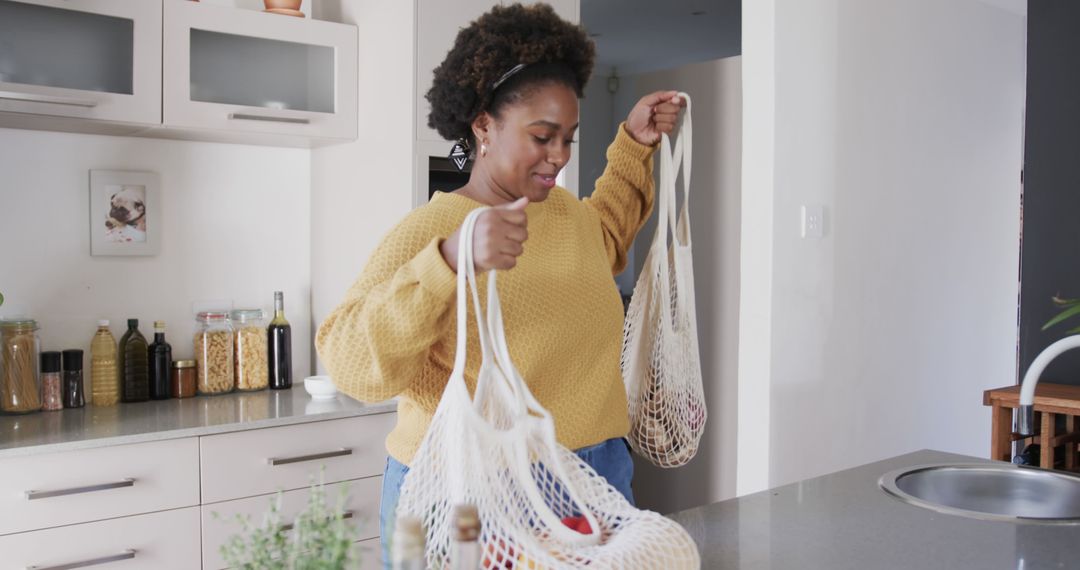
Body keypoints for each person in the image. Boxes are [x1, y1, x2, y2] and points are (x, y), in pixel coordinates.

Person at [315, 2, 684, 564]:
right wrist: (448, 260)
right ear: (484, 124)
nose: (558, 157)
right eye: (542, 137)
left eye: (568, 137)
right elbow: (350, 365)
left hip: (594, 474)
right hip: (465, 489)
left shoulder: (564, 215)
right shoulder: (432, 230)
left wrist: (634, 144)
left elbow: (603, 238)